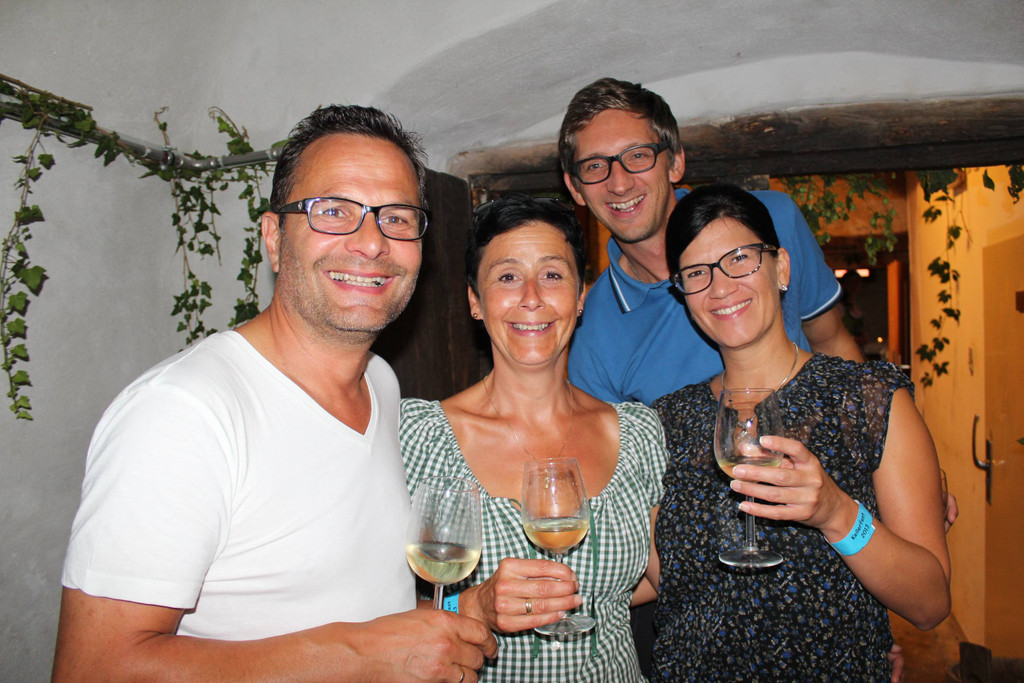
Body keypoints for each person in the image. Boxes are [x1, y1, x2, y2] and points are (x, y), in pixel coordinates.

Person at [53, 105, 496, 681]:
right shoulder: (183, 412)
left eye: (396, 217)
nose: (371, 243)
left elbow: (343, 600)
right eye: (333, 211)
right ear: (274, 237)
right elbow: (92, 668)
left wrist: (452, 615)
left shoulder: (380, 383)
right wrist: (358, 657)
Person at [647, 183, 951, 681]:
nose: (720, 287)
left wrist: (837, 513)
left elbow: (931, 603)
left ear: (782, 267)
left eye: (740, 259)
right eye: (697, 273)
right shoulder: (665, 423)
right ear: (683, 294)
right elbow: (663, 580)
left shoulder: (868, 402)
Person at [400, 194, 667, 681]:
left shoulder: (637, 433)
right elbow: (372, 612)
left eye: (552, 274)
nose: (531, 297)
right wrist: (470, 604)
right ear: (475, 301)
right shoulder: (418, 438)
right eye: (507, 277)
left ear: (581, 297)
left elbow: (663, 579)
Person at [559, 77, 863, 407]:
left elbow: (832, 342)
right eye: (594, 166)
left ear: (675, 162)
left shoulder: (770, 222)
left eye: (638, 155)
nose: (619, 184)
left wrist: (867, 427)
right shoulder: (592, 334)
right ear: (575, 188)